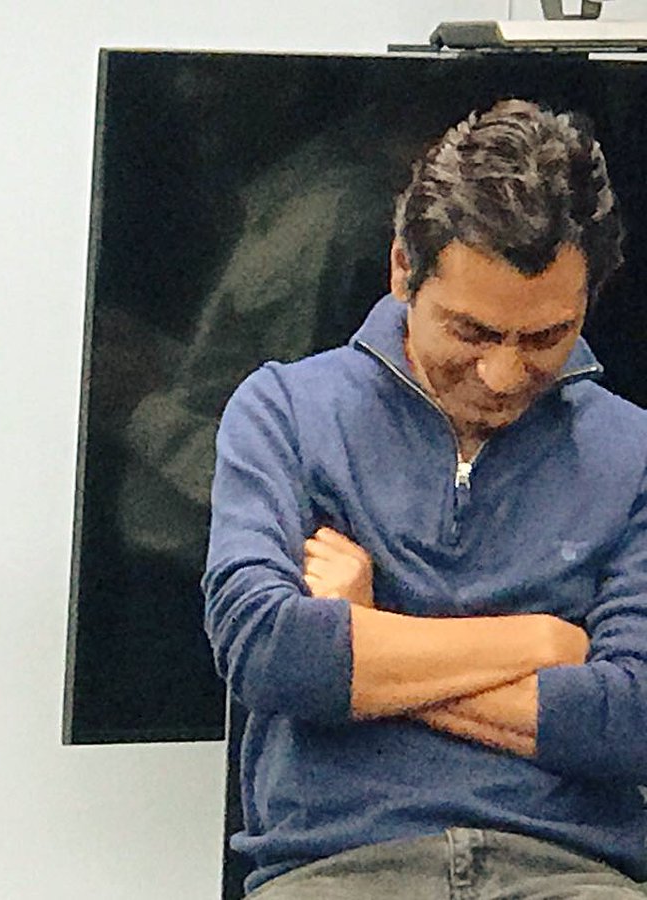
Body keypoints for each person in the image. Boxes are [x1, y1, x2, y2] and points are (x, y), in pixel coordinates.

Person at [205, 98, 647, 898]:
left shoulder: (635, 452)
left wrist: (368, 639)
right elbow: (270, 653)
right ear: (402, 270)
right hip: (336, 869)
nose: (503, 375)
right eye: (471, 332)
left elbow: (630, 720)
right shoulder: (285, 411)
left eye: (545, 337)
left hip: (574, 873)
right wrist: (543, 642)